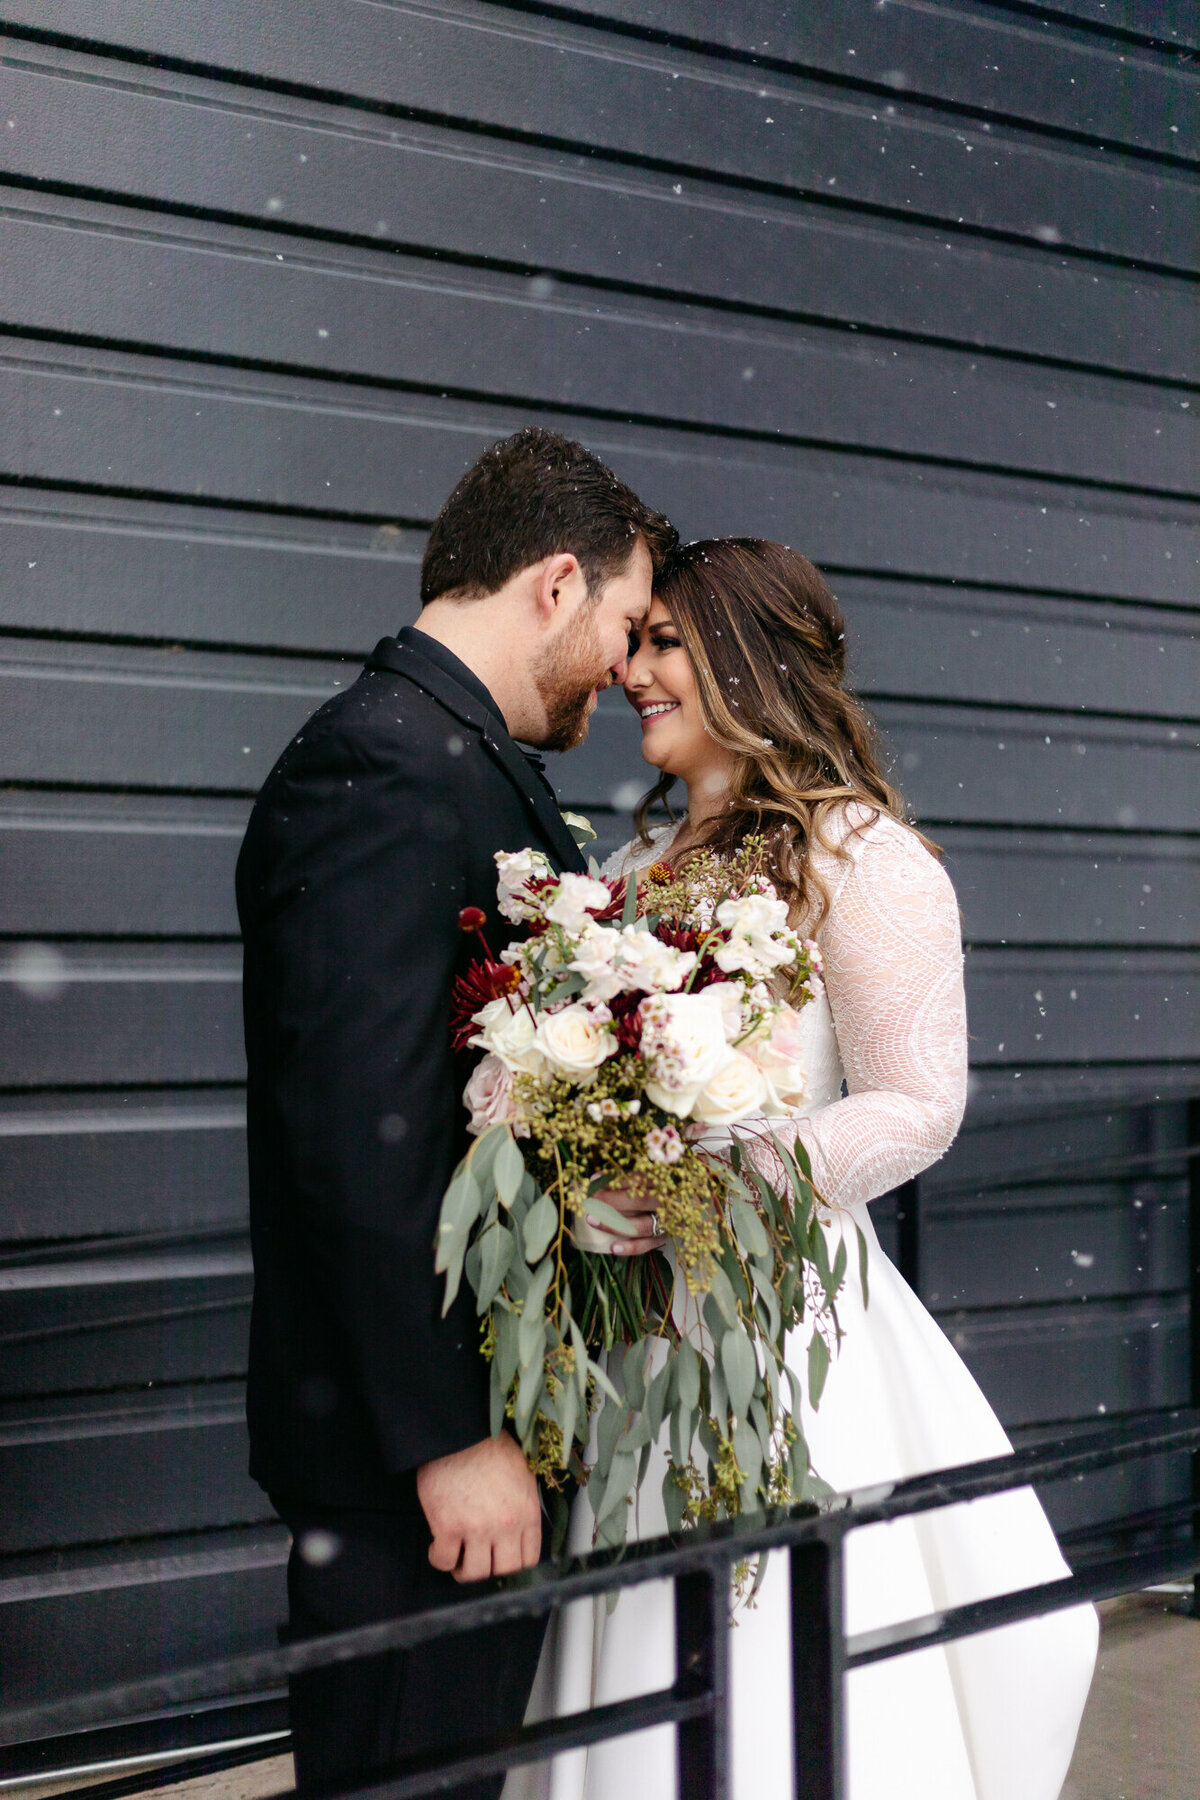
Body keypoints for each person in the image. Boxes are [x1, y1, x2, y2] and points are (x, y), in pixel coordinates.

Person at [514, 539, 1098, 1800]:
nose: (632, 670)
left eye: (666, 641)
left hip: (786, 1329)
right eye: (638, 639)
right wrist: (587, 1176)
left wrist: (721, 1190)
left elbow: (917, 1104)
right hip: (645, 1341)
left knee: (784, 1658)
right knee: (649, 1663)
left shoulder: (860, 859)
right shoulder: (629, 874)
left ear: (750, 658)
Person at [236, 426, 676, 1800]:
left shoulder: (454, 756)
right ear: (556, 582)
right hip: (407, 1454)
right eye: (620, 620)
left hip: (469, 1426)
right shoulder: (383, 765)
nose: (624, 665)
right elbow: (354, 1136)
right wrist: (448, 1437)